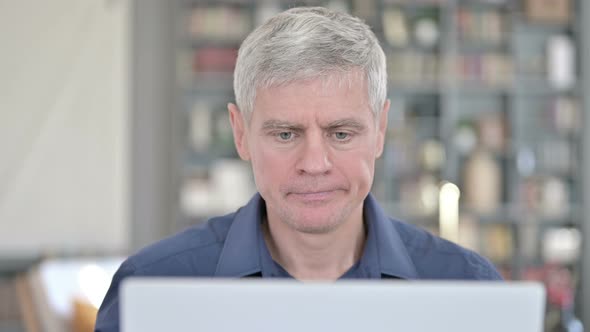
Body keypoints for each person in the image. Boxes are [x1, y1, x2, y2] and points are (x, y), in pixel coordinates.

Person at [95, 6, 502, 332]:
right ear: (241, 134)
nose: (313, 164)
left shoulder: (470, 288)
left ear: (380, 130)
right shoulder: (153, 289)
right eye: (286, 134)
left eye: (341, 134)